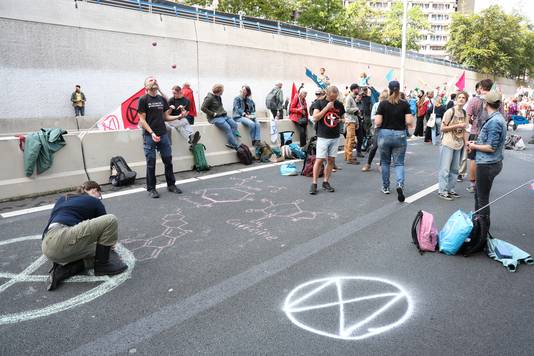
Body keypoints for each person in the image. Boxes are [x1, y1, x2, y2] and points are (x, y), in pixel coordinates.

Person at [42, 181, 127, 291]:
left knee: (100, 250)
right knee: (111, 221)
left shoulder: (64, 198)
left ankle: (63, 270)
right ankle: (103, 266)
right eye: (99, 195)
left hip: (48, 246)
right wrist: (111, 244)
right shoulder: (93, 201)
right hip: (62, 238)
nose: (99, 198)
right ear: (94, 190)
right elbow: (105, 229)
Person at [466, 91, 506, 239]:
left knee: (482, 198)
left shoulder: (495, 121)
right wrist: (475, 143)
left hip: (487, 164)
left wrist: (474, 146)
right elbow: (488, 142)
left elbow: (491, 147)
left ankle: (482, 233)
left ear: (485, 104)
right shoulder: (496, 118)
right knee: (478, 194)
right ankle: (477, 225)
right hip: (488, 162)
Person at [137, 76, 184, 198]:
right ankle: (151, 188)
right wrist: (152, 133)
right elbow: (142, 120)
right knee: (151, 162)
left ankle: (171, 185)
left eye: (155, 80)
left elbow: (165, 117)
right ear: (146, 86)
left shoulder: (162, 99)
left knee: (168, 160)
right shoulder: (143, 100)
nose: (154, 81)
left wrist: (178, 116)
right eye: (151, 80)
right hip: (149, 135)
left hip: (163, 134)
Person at [374, 81, 414, 202]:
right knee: (399, 163)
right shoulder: (404, 104)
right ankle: (399, 185)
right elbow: (409, 121)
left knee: (385, 162)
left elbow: (378, 122)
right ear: (399, 89)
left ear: (389, 89)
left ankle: (386, 187)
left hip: (384, 134)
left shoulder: (383, 104)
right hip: (400, 135)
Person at [309, 86, 344, 195]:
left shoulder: (339, 104)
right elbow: (315, 118)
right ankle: (314, 183)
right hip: (323, 136)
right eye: (332, 97)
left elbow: (343, 118)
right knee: (319, 160)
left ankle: (325, 182)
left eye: (335, 97)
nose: (334, 99)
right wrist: (326, 108)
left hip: (335, 136)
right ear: (327, 94)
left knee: (331, 161)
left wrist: (341, 120)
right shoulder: (319, 103)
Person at [437, 91, 469, 200]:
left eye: (463, 98)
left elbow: (464, 130)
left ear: (466, 100)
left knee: (455, 169)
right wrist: (457, 125)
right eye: (459, 97)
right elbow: (442, 128)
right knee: (445, 169)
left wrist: (466, 144)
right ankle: (442, 190)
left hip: (459, 144)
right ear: (456, 99)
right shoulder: (450, 112)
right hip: (448, 142)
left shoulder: (464, 113)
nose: (461, 99)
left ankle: (451, 189)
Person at [465, 79, 494, 193]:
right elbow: (502, 117)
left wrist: (467, 131)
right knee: (487, 160)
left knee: (473, 159)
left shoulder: (474, 100)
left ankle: (473, 185)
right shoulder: (496, 100)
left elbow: (467, 118)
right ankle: (483, 185)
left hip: (475, 132)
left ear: (481, 88)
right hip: (490, 133)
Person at [201, 84, 241, 150]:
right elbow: (203, 108)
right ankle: (235, 145)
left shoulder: (219, 97)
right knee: (228, 128)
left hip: (223, 115)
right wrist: (213, 114)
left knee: (234, 124)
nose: (223, 91)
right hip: (214, 118)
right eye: (222, 90)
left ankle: (231, 142)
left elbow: (220, 108)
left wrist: (223, 113)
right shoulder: (209, 98)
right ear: (219, 91)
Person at [362, 89, 388, 172]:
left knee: (384, 147)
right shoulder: (376, 105)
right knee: (374, 146)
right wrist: (379, 117)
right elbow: (372, 117)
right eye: (381, 98)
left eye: (384, 98)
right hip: (378, 127)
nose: (382, 100)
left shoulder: (389, 106)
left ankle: (381, 164)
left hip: (386, 128)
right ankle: (368, 164)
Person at [343, 83, 361, 164]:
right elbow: (346, 109)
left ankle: (347, 155)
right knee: (351, 139)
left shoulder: (351, 98)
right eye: (358, 89)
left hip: (351, 120)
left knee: (348, 138)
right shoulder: (349, 98)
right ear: (354, 89)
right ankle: (349, 158)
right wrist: (356, 109)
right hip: (350, 121)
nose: (359, 90)